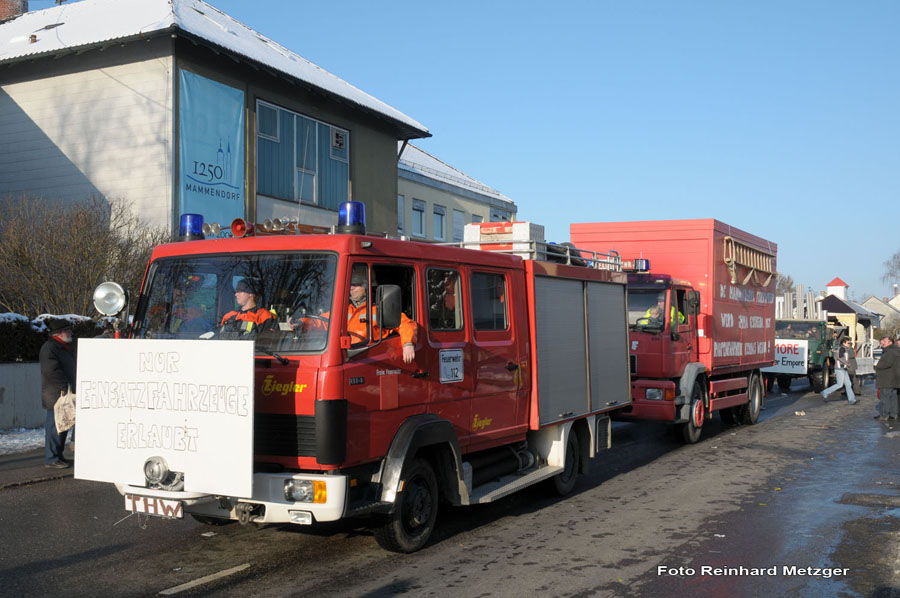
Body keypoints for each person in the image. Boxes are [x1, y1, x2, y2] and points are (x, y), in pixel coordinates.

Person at [292, 268, 418, 364]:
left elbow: (405, 324)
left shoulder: (379, 310)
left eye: (355, 284)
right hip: (348, 357)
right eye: (349, 285)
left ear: (367, 286)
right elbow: (322, 321)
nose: (351, 288)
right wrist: (302, 323)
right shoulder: (346, 310)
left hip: (370, 358)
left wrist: (408, 344)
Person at [40, 318, 76, 469]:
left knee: (62, 426)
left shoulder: (62, 346)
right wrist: (65, 387)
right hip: (57, 394)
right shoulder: (50, 348)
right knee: (56, 428)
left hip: (63, 393)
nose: (70, 332)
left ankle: (57, 456)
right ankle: (52, 458)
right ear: (59, 333)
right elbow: (51, 371)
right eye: (67, 330)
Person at [821, 337, 856, 404]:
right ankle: (825, 392)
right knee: (839, 384)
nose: (849, 344)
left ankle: (852, 400)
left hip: (843, 369)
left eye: (850, 343)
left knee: (848, 384)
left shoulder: (845, 349)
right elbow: (839, 357)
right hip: (840, 369)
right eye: (848, 343)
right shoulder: (842, 349)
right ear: (844, 343)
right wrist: (847, 363)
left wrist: (846, 364)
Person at [874, 336, 900, 420]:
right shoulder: (895, 350)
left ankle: (884, 415)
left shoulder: (890, 351)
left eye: (884, 341)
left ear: (890, 342)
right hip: (894, 378)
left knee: (885, 397)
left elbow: (885, 363)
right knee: (893, 397)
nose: (882, 343)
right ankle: (893, 414)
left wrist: (877, 367)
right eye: (881, 341)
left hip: (887, 378)